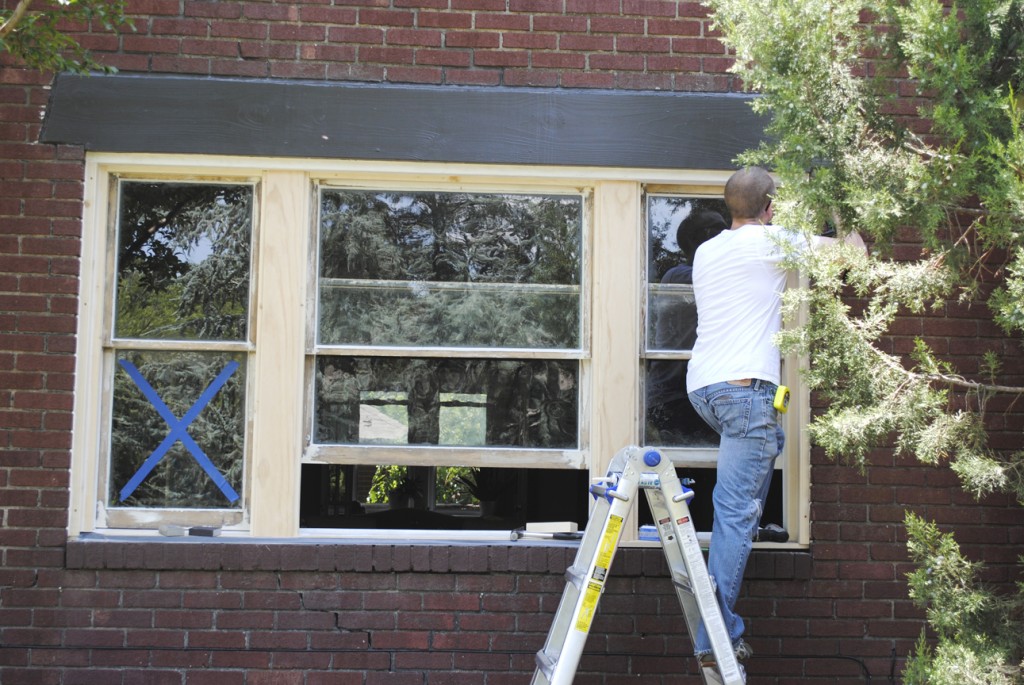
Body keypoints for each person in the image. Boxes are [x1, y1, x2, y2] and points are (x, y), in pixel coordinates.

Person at [686, 167, 864, 672]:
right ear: (769, 209)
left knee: (753, 473)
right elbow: (855, 253)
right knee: (734, 516)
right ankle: (714, 634)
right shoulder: (771, 242)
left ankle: (746, 525)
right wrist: (833, 201)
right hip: (744, 392)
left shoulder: (707, 250)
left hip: (705, 389)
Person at [646, 209, 728, 445]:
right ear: (701, 238)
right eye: (720, 231)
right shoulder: (678, 277)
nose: (727, 237)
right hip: (673, 395)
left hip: (691, 390)